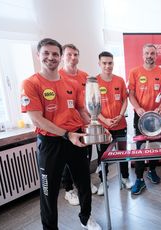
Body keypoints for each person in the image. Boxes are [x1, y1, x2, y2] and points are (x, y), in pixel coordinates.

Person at [20, 38, 101, 230]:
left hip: (76, 138)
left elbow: (81, 110)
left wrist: (96, 125)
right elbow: (37, 119)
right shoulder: (31, 83)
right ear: (38, 55)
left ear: (60, 57)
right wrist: (66, 134)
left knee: (84, 183)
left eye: (55, 54)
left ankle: (85, 218)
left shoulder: (71, 82)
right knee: (48, 192)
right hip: (50, 143)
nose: (51, 57)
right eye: (46, 53)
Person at [58, 44, 98, 206]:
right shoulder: (58, 76)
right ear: (62, 57)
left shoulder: (85, 76)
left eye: (75, 54)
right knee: (68, 162)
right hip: (67, 128)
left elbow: (89, 101)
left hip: (85, 125)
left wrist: (93, 120)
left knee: (85, 158)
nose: (73, 58)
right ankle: (68, 190)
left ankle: (84, 182)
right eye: (69, 55)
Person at [128, 43, 161, 195]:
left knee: (155, 147)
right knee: (140, 149)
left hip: (156, 118)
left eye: (152, 53)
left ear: (156, 55)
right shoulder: (134, 72)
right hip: (140, 117)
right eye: (147, 53)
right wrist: (137, 107)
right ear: (142, 54)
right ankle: (139, 179)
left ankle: (152, 170)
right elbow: (131, 94)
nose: (149, 56)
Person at [95, 51, 132, 195]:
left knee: (123, 153)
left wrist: (121, 115)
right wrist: (104, 120)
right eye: (104, 63)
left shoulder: (120, 80)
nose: (107, 66)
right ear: (99, 64)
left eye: (110, 63)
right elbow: (92, 106)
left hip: (120, 124)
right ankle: (104, 182)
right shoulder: (94, 82)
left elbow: (125, 100)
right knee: (102, 156)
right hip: (103, 127)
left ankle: (125, 177)